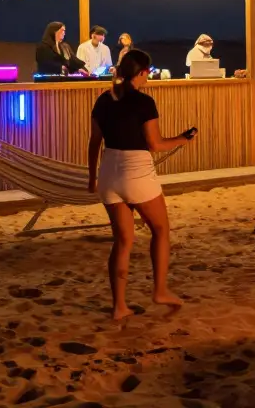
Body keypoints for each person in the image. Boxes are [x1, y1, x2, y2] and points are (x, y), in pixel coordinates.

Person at [87, 50, 198, 321]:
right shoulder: (144, 102)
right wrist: (183, 138)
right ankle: (160, 290)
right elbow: (155, 144)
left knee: (123, 240)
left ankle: (119, 307)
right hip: (136, 173)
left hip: (109, 173)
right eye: (147, 72)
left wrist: (93, 178)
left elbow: (94, 142)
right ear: (141, 73)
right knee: (161, 230)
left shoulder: (103, 99)